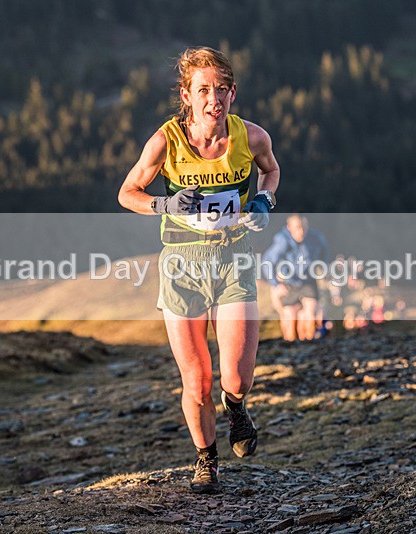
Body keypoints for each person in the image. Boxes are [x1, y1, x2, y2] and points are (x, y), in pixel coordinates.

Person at [118, 46, 279, 494]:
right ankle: (206, 460)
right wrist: (164, 203)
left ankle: (237, 404)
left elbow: (271, 171)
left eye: (222, 89)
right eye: (203, 90)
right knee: (196, 378)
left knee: (235, 375)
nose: (214, 98)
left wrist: (265, 200)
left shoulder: (252, 137)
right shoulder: (165, 141)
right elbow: (127, 192)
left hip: (234, 260)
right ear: (186, 95)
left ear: (232, 93)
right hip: (182, 267)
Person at [262, 214, 329, 341]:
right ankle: (291, 349)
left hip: (308, 280)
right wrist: (276, 284)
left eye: (304, 227)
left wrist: (322, 266)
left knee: (311, 314)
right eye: (298, 228)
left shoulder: (315, 237)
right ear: (289, 228)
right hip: (288, 283)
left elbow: (325, 251)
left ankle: (310, 346)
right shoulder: (282, 241)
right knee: (291, 320)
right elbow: (267, 262)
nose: (301, 231)